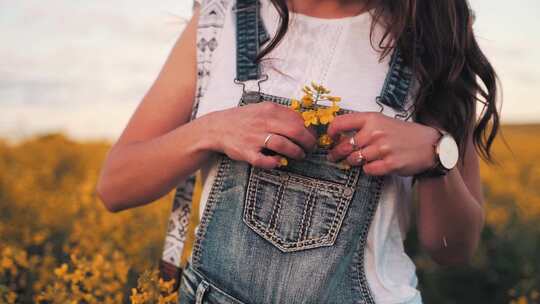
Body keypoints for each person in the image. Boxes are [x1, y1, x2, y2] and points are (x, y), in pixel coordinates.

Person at [96, 0, 500, 303]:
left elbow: (454, 250)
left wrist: (435, 155)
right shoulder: (220, 20)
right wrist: (212, 130)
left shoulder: (435, 36)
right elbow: (116, 187)